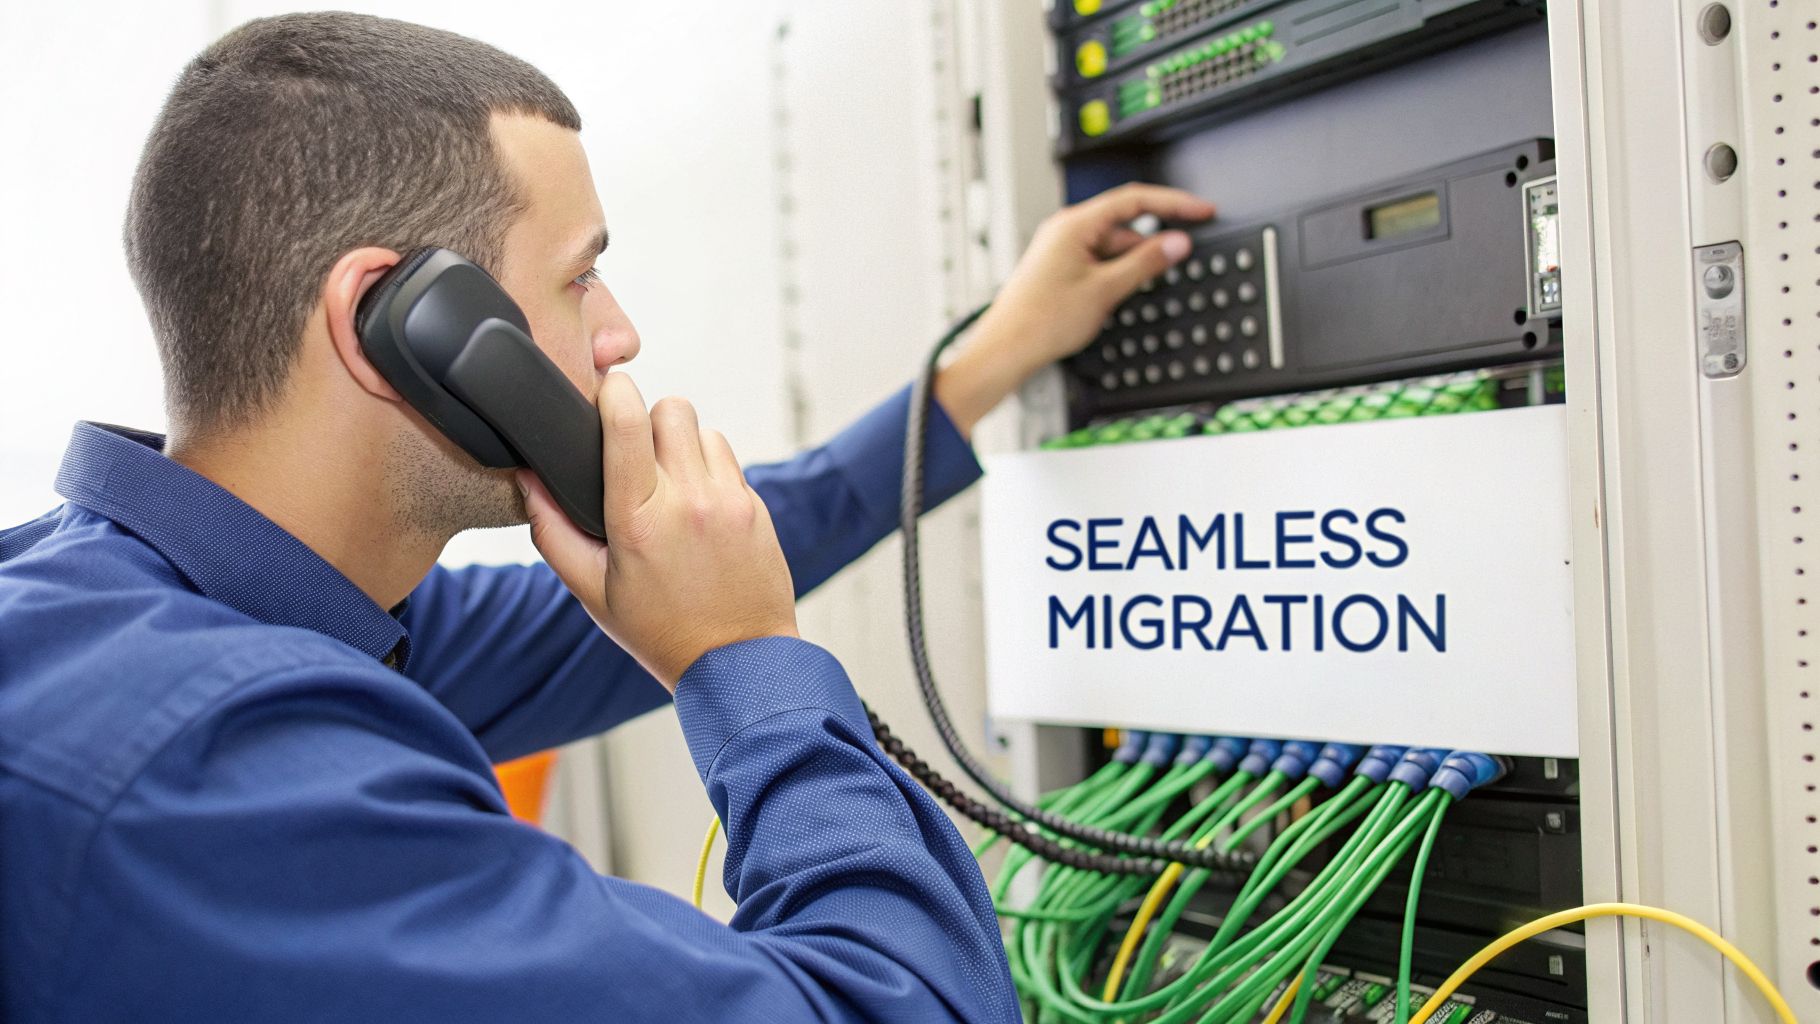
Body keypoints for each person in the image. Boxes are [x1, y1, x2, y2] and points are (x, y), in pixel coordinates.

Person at [0, 12, 1211, 1022]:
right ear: (403, 324)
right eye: (578, 275)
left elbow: (689, 546)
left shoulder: (155, 607)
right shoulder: (215, 780)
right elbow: (905, 1002)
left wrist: (986, 362)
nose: (618, 329)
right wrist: (747, 664)